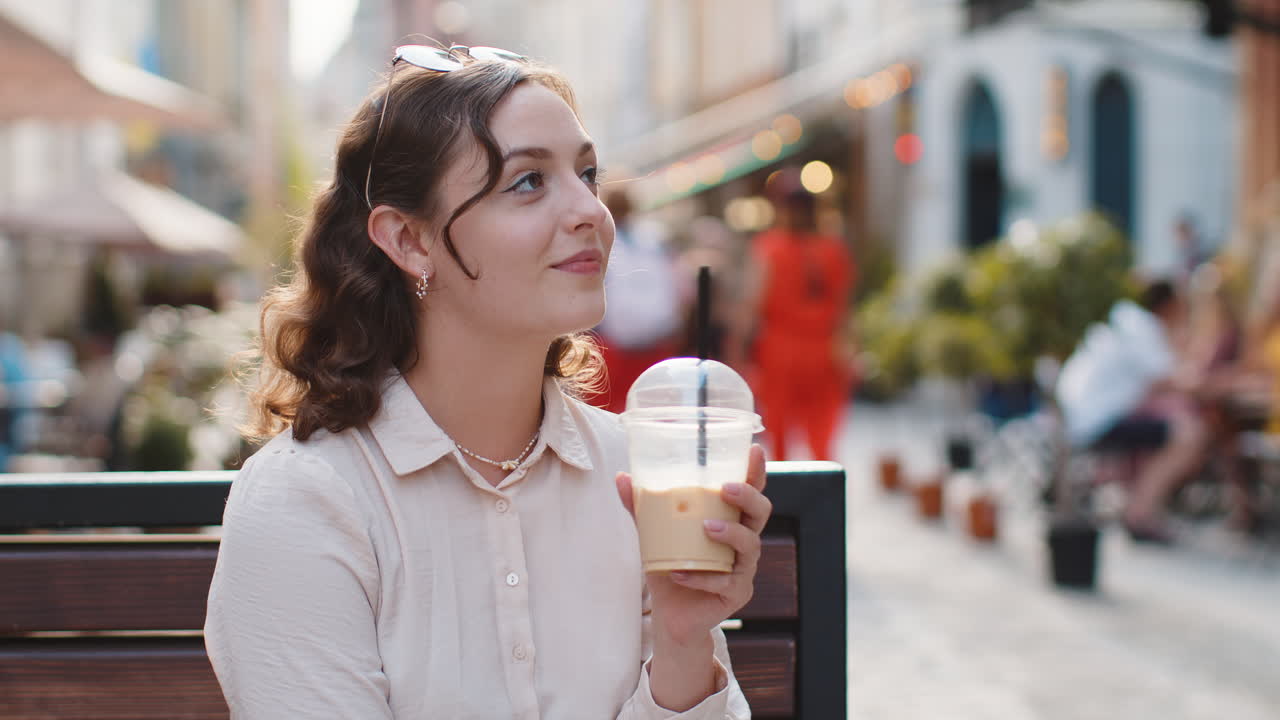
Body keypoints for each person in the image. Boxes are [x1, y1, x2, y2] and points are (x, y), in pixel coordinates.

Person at [204, 43, 766, 718]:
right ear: (410, 240)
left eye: (587, 174)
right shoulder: (310, 503)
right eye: (528, 182)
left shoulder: (638, 472)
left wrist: (683, 644)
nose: (591, 211)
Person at [1056, 279, 1207, 543]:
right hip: (1099, 421)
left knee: (1164, 424)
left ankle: (1139, 507)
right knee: (1189, 434)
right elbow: (1171, 380)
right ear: (1170, 306)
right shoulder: (1142, 328)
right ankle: (1140, 514)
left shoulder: (1124, 321)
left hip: (1084, 418)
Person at [744, 169, 854, 461]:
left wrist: (743, 349)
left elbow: (755, 302)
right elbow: (844, 308)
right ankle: (820, 495)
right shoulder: (833, 249)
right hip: (815, 350)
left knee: (783, 436)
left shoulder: (769, 247)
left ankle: (788, 498)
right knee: (818, 437)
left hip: (785, 350)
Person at [593, 189, 686, 413]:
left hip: (655, 341)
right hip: (616, 346)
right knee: (614, 412)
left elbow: (671, 285)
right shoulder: (601, 241)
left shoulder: (652, 240)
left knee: (655, 409)